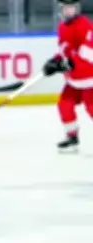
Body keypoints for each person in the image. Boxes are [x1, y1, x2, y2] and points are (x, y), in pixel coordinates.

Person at [43, 0, 93, 154]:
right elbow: (65, 50)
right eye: (66, 8)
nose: (68, 11)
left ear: (77, 9)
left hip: (89, 77)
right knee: (64, 104)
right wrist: (55, 61)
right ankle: (72, 138)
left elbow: (89, 53)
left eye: (71, 8)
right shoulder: (62, 27)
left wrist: (69, 63)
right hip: (73, 80)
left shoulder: (85, 25)